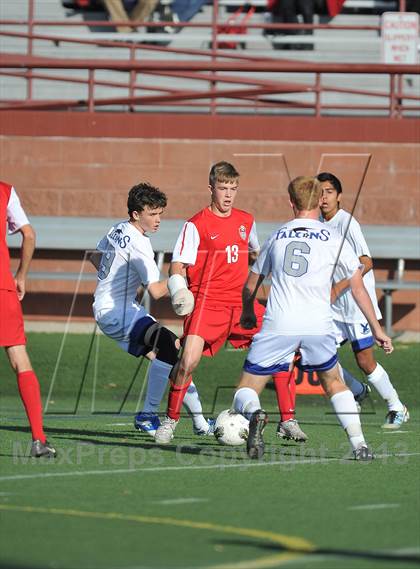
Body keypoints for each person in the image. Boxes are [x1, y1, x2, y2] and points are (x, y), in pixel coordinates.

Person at [231, 176, 394, 461]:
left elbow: (250, 284)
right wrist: (377, 329)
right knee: (334, 382)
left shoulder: (277, 236)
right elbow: (358, 289)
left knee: (246, 387)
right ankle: (359, 445)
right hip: (318, 323)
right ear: (319, 201)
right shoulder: (334, 239)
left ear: (291, 202)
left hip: (280, 322)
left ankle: (256, 414)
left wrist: (247, 312)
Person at [154, 161, 307, 444]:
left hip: (239, 304)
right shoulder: (195, 225)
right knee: (187, 362)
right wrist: (178, 292)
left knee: (284, 346)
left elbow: (256, 256)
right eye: (223, 188)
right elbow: (177, 268)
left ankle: (288, 420)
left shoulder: (246, 221)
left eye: (233, 189)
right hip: (206, 304)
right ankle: (170, 421)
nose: (228, 195)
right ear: (211, 188)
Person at [91, 182, 210, 437]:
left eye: (160, 213)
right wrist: (183, 275)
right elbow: (156, 291)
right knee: (170, 348)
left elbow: (96, 258)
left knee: (174, 357)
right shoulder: (140, 242)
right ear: (136, 214)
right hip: (117, 312)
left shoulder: (118, 228)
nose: (157, 220)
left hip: (113, 309)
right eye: (152, 214)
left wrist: (118, 283)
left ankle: (200, 423)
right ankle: (147, 415)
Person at [317, 172, 409, 429]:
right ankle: (357, 390)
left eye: (329, 192)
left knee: (365, 361)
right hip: (333, 306)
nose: (323, 197)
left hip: (355, 305)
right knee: (317, 354)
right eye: (319, 192)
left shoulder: (347, 223)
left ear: (339, 196)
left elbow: (366, 262)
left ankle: (396, 407)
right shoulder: (317, 224)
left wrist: (340, 286)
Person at [0, 181, 56, 458]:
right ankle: (38, 439)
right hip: (3, 288)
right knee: (19, 359)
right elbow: (29, 235)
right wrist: (21, 275)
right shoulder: (5, 191)